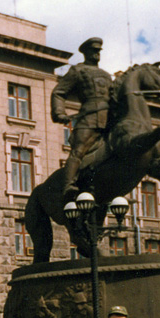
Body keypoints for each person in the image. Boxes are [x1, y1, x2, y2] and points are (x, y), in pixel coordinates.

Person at [50, 37, 113, 203]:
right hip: (89, 118)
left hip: (109, 120)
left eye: (99, 51)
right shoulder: (78, 70)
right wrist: (59, 113)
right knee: (78, 151)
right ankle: (68, 186)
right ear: (86, 52)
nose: (97, 54)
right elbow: (59, 92)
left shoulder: (107, 75)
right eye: (94, 50)